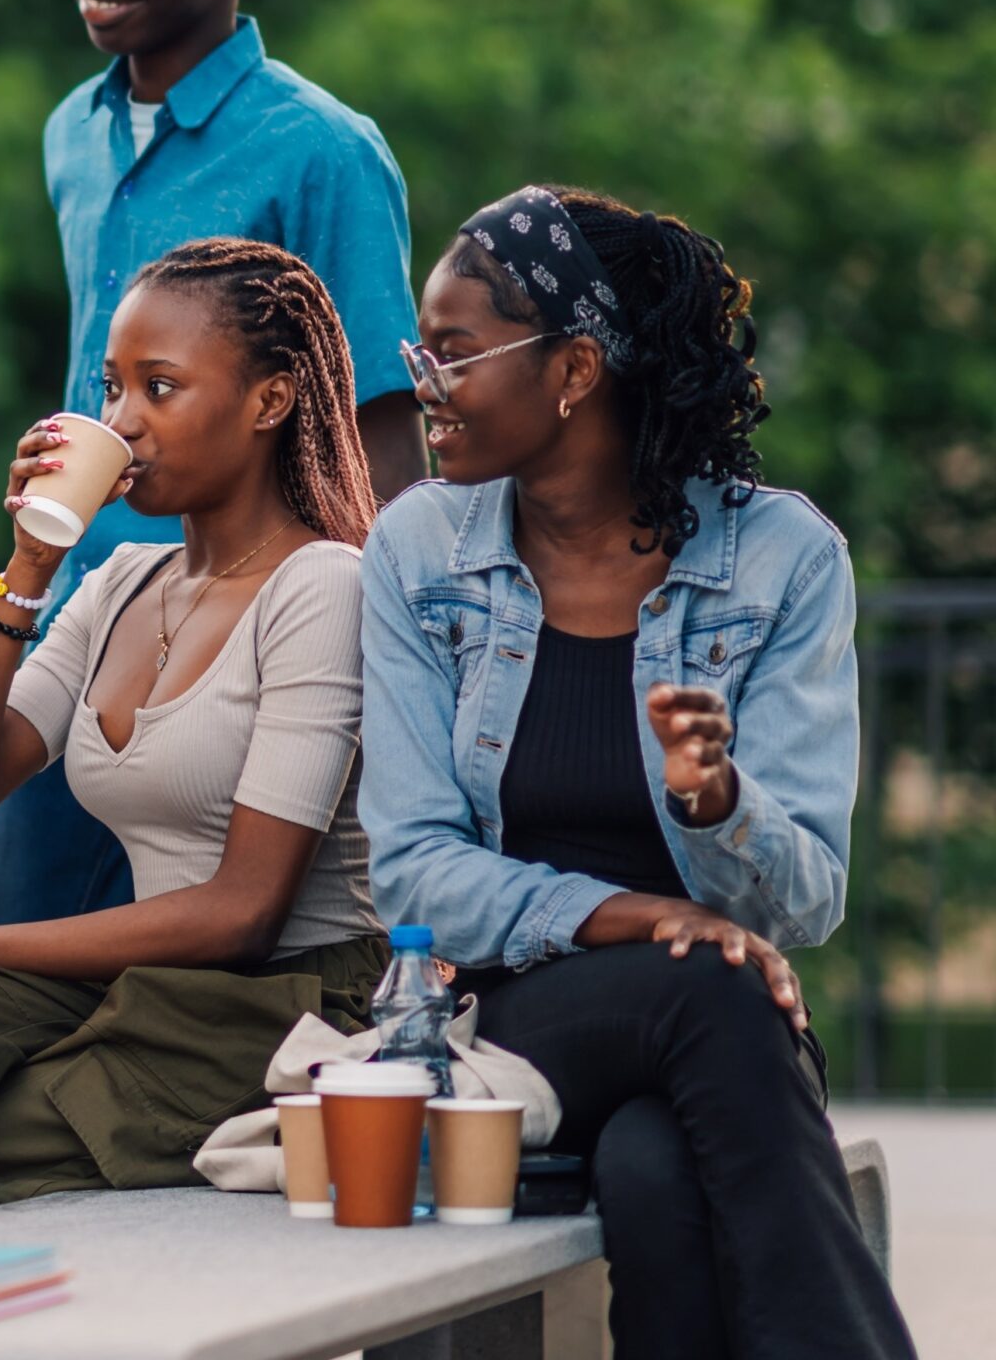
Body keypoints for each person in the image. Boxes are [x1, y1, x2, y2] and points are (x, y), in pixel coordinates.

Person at [360, 186, 916, 1360]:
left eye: (453, 352)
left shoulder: (780, 559)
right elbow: (412, 876)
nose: (424, 380)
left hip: (717, 1041)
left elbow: (804, 897)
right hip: (504, 1016)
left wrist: (715, 804)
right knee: (703, 985)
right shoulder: (417, 553)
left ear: (571, 369)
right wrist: (636, 914)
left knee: (654, 1174)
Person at [0, 238, 385, 1219]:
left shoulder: (323, 587)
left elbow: (242, 913)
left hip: (281, 1002)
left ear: (268, 402)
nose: (121, 423)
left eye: (160, 388)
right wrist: (29, 569)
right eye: (110, 388)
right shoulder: (118, 583)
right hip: (149, 991)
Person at [0, 0, 428, 934]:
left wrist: (371, 664)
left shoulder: (323, 151)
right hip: (87, 614)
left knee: (229, 969)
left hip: (252, 646)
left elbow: (385, 431)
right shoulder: (69, 132)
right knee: (9, 960)